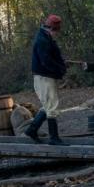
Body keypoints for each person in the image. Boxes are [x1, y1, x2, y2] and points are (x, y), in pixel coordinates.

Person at [24, 14, 68, 146]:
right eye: (57, 31)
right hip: (44, 77)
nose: (57, 34)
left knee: (48, 106)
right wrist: (60, 69)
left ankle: (32, 130)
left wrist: (61, 64)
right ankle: (54, 138)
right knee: (52, 106)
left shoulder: (45, 37)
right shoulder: (43, 40)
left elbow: (50, 58)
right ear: (51, 29)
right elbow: (46, 62)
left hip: (45, 76)